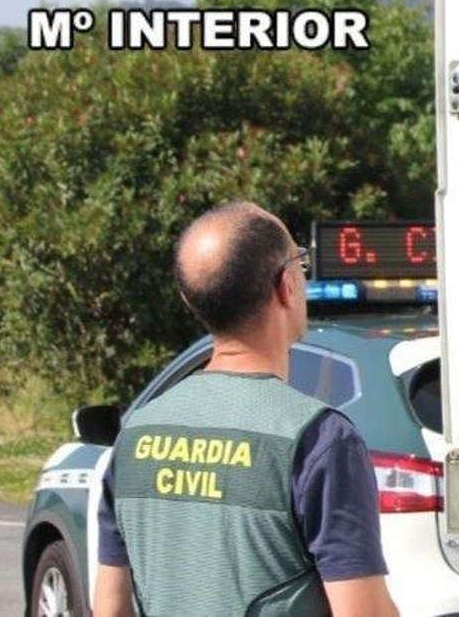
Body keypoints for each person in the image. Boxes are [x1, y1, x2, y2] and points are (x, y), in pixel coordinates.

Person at [93, 202, 398, 617]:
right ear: (285, 286)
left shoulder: (135, 435)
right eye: (301, 263)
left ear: (189, 299)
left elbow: (109, 608)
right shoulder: (318, 438)